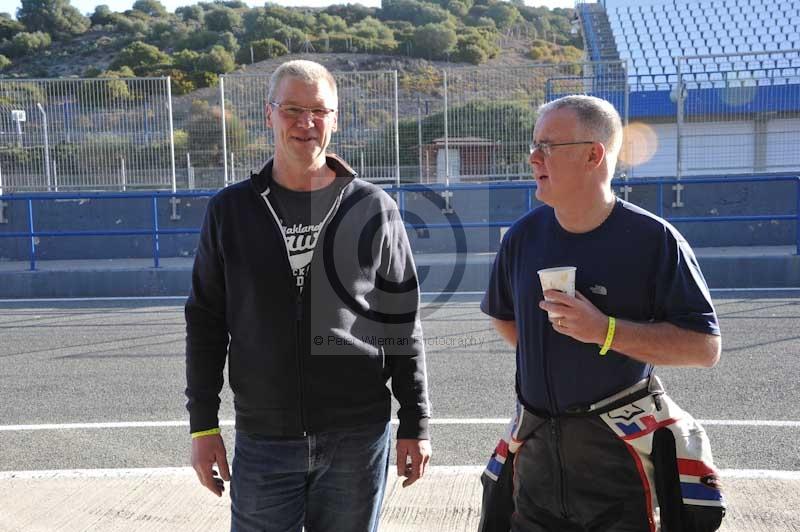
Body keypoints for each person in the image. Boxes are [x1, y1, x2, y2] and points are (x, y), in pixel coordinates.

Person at [185, 59, 431, 532]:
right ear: (269, 114)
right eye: (293, 109)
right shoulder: (230, 210)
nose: (306, 122)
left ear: (335, 118)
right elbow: (205, 323)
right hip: (264, 437)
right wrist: (203, 425)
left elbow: (402, 323)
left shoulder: (372, 207)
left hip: (357, 437)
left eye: (319, 110)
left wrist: (415, 423)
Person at [480, 95, 725, 532]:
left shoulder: (654, 241)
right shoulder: (522, 238)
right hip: (536, 462)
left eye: (547, 146)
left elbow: (704, 347)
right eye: (534, 145)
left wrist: (604, 331)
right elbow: (502, 314)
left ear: (593, 155)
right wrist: (551, 358)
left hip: (618, 466)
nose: (533, 157)